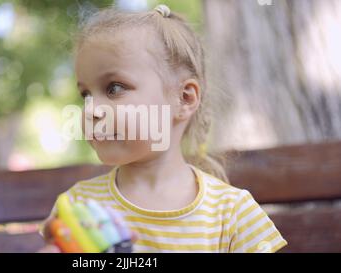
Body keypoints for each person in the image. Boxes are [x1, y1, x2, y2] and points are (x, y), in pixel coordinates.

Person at [39, 4, 287, 253]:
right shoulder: (79, 206)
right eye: (86, 94)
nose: (91, 110)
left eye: (114, 88)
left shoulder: (233, 213)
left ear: (185, 98)